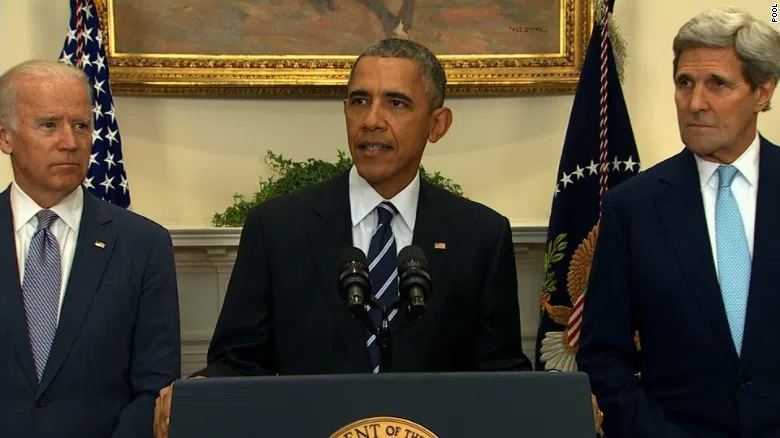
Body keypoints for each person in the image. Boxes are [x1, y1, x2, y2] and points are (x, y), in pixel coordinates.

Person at [153, 37, 531, 437]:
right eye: (359, 101)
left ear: (437, 124)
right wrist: (199, 390)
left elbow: (500, 373)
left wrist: (558, 399)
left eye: (396, 103)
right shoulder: (278, 228)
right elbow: (239, 361)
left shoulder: (480, 236)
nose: (372, 119)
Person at [577, 7, 780, 438]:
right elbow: (603, 356)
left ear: (763, 92)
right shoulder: (632, 207)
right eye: (684, 83)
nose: (695, 103)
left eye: (717, 84)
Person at [0, 60, 181, 438]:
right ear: (5, 137)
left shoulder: (143, 245)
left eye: (81, 126)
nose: (70, 142)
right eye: (49, 125)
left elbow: (154, 386)